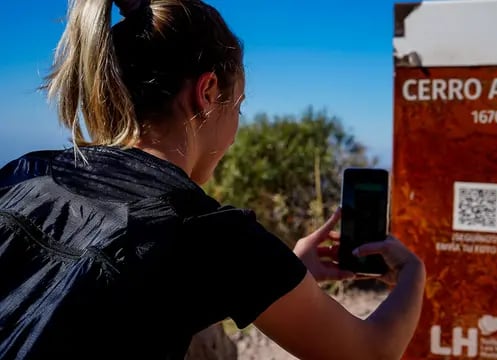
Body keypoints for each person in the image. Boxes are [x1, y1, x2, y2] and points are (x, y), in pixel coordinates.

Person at [0, 0, 426, 359]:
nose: (236, 129)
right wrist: (413, 273)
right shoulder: (209, 235)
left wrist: (284, 273)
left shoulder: (27, 172)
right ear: (207, 93)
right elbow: (371, 351)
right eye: (237, 106)